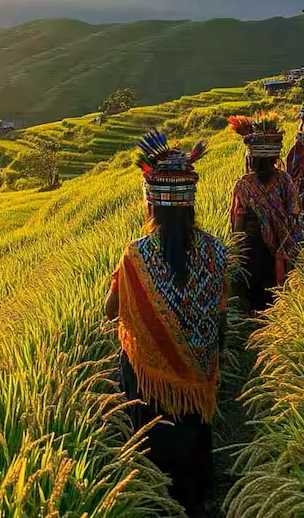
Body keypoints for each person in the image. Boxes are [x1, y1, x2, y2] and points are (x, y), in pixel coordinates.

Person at [105, 130, 227, 517]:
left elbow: (111, 310)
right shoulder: (215, 250)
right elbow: (219, 309)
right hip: (200, 366)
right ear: (190, 202)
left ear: (151, 204)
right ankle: (198, 492)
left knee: (148, 417)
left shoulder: (136, 255)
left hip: (151, 379)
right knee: (193, 430)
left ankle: (158, 496)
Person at [229, 114, 302, 313]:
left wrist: (235, 253)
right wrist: (289, 241)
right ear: (274, 157)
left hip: (254, 250)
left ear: (251, 158)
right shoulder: (284, 179)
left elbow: (238, 223)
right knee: (278, 295)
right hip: (282, 247)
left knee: (255, 297)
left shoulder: (243, 184)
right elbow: (295, 212)